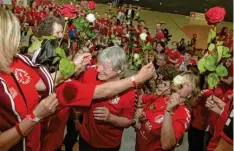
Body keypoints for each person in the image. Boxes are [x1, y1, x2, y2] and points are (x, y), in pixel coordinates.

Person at [0, 7, 58, 151]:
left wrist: (74, 65)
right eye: (16, 33)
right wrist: (36, 116)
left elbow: (41, 85)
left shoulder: (18, 61)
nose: (20, 38)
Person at [78, 46, 137, 151]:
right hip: (85, 138)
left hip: (108, 145)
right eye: (99, 64)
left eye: (104, 67)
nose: (99, 69)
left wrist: (110, 117)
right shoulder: (90, 74)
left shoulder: (129, 92)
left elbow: (128, 121)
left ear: (118, 70)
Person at [135, 71, 200, 151]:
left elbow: (167, 145)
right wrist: (142, 118)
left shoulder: (184, 114)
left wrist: (168, 111)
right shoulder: (164, 97)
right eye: (182, 80)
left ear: (190, 95)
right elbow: (148, 119)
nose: (182, 84)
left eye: (187, 84)